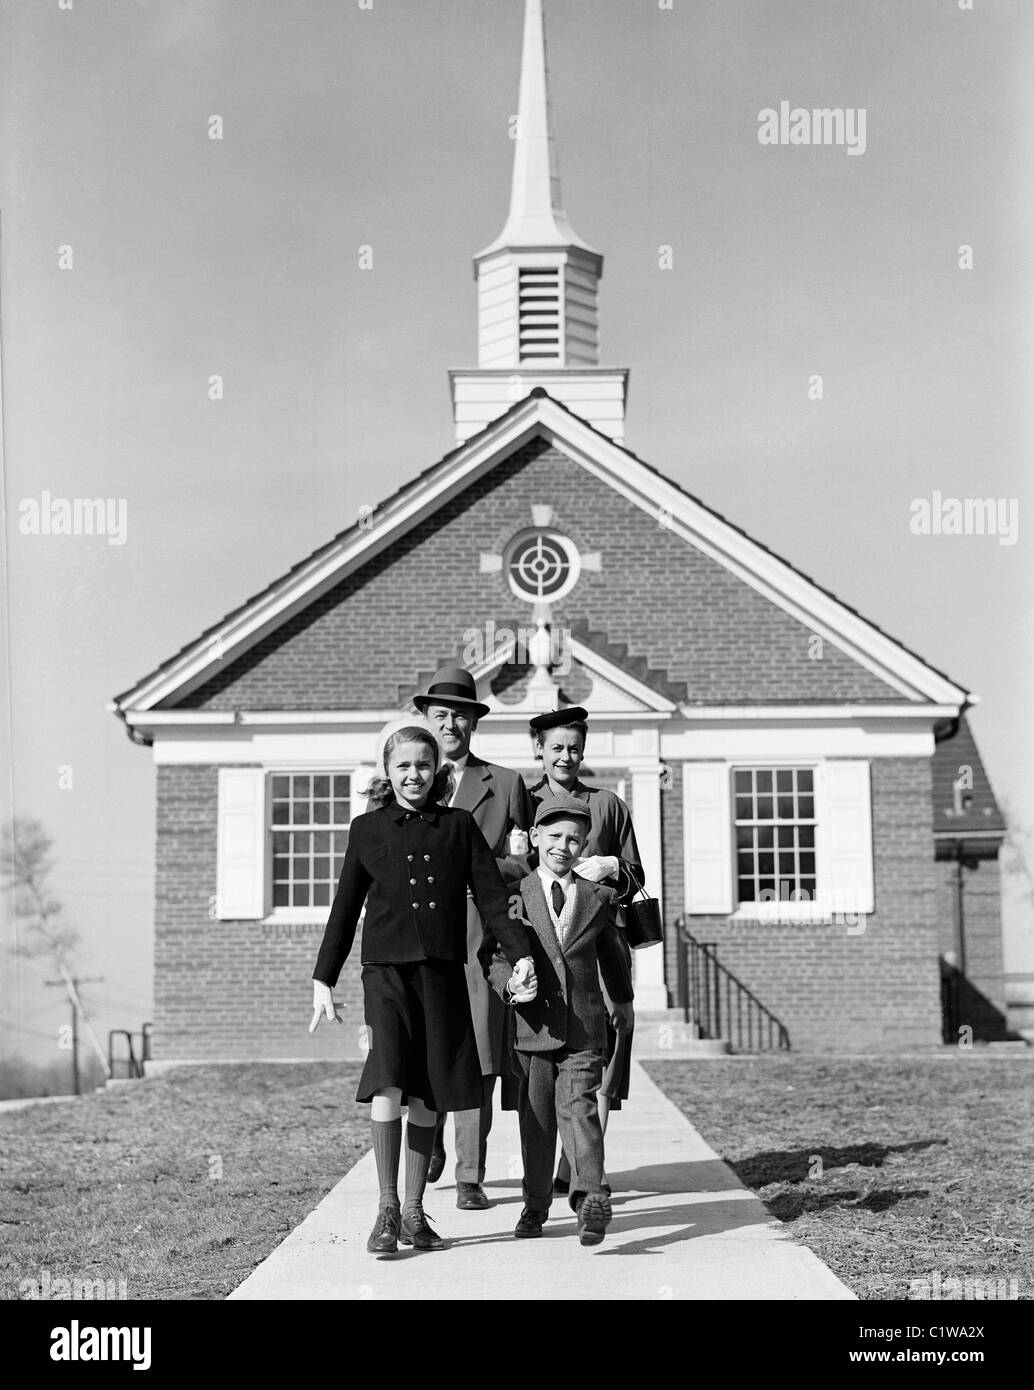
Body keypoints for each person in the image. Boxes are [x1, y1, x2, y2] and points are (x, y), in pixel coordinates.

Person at [309, 718, 537, 1255]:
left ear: (438, 772)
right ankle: (386, 1209)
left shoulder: (458, 826)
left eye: (423, 764)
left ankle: (414, 1211)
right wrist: (324, 977)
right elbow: (345, 909)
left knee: (431, 1091)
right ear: (388, 773)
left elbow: (490, 897)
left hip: (441, 973)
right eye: (403, 765)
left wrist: (521, 956)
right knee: (389, 1079)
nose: (414, 774)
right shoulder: (367, 829)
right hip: (385, 973)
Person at [479, 795, 634, 1244]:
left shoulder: (598, 897)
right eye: (554, 836)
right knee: (538, 1122)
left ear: (584, 845)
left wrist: (621, 1002)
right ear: (534, 838)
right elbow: (492, 954)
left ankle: (589, 1199)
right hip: (532, 1030)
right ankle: (534, 1205)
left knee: (581, 1110)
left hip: (585, 1027)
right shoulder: (515, 897)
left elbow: (612, 958)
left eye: (573, 839)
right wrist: (509, 984)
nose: (563, 846)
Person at [413, 666, 534, 1211]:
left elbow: (525, 863)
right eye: (440, 715)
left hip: (482, 932)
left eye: (460, 715)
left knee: (483, 1055)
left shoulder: (505, 785)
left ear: (474, 722)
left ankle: (470, 1175)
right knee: (429, 1045)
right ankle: (431, 1138)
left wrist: (483, 868)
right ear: (427, 720)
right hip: (424, 935)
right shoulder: (410, 779)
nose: (450, 724)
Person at [527, 706, 643, 1195]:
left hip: (602, 942)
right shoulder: (526, 800)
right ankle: (552, 1164)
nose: (566, 756)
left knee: (602, 1045)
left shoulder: (609, 805)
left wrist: (612, 864)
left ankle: (577, 1168)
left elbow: (638, 878)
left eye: (575, 747)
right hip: (545, 945)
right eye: (557, 747)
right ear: (540, 750)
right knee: (547, 1055)